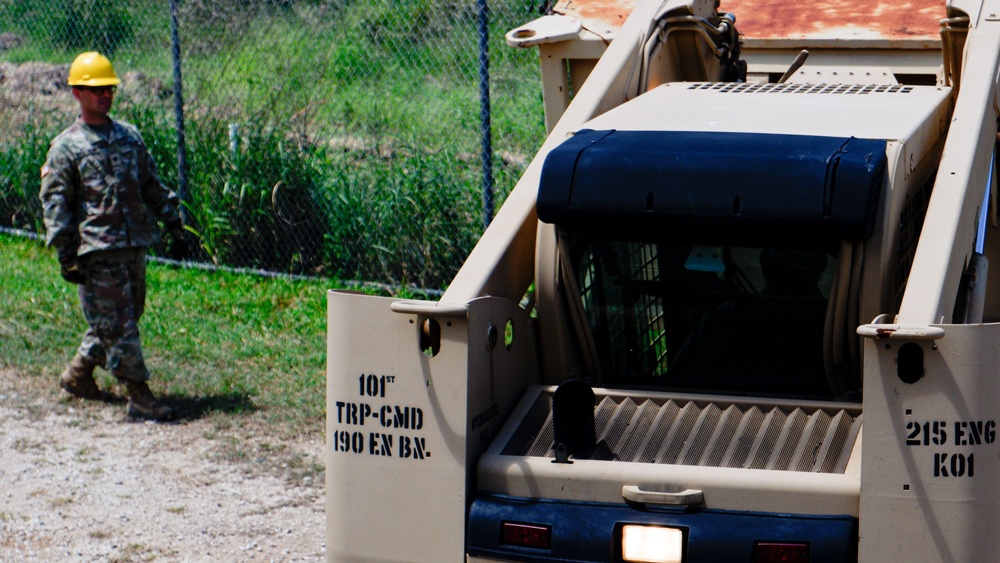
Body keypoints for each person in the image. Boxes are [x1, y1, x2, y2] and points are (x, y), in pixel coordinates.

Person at [39, 51, 186, 421]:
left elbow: (150, 184)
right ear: (76, 92)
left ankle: (77, 375)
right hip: (95, 250)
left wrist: (173, 222)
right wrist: (65, 253)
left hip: (133, 244)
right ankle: (138, 394)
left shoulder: (128, 137)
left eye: (109, 88)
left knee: (124, 315)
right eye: (96, 89)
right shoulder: (66, 147)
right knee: (118, 325)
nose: (105, 95)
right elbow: (55, 201)